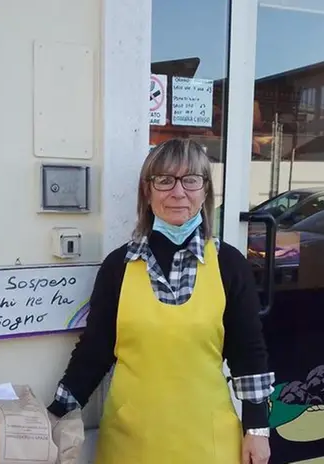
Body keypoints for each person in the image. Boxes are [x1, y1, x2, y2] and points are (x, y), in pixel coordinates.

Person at [47, 138, 274, 463]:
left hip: (207, 441)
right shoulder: (119, 267)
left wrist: (257, 430)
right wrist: (57, 414)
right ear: (147, 191)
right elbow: (94, 350)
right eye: (165, 180)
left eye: (190, 180)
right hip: (130, 441)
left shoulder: (228, 264)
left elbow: (248, 352)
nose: (178, 192)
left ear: (205, 190)